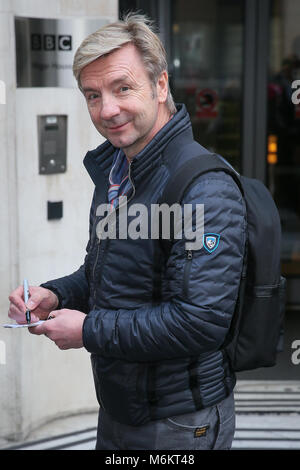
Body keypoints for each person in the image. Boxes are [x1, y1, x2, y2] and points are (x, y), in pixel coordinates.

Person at [8, 13, 246, 450]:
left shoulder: (203, 188)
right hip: (122, 407)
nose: (107, 109)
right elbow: (110, 271)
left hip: (178, 421)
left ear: (159, 86)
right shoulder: (119, 172)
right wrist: (57, 294)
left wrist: (87, 331)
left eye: (122, 88)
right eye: (93, 95)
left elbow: (200, 322)